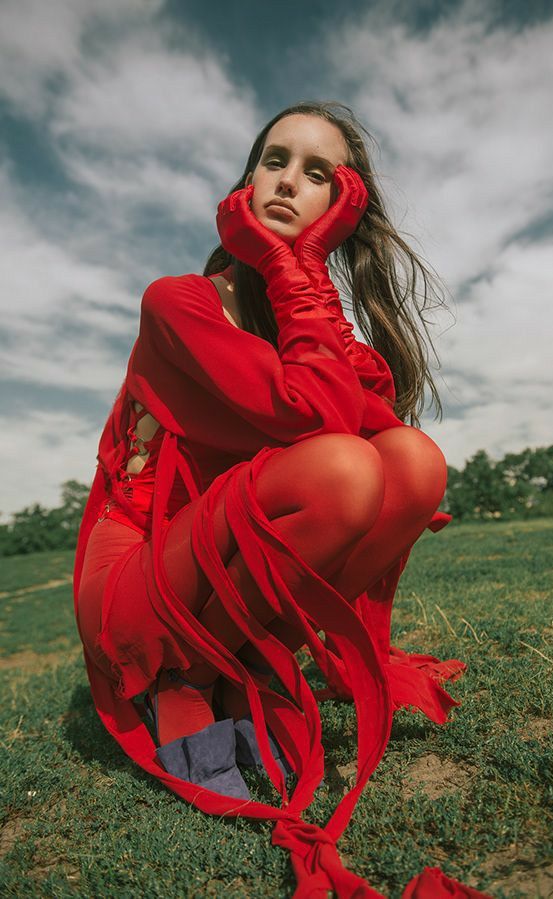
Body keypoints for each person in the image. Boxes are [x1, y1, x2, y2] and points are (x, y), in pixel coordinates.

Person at [73, 101, 488, 898]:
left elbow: (360, 425)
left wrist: (300, 276)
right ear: (244, 185)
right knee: (342, 470)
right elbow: (318, 425)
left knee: (410, 461)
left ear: (341, 209)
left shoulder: (321, 332)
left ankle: (241, 669)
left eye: (318, 173)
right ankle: (179, 682)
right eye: (274, 160)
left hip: (215, 568)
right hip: (134, 587)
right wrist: (284, 262)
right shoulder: (178, 304)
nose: (289, 181)